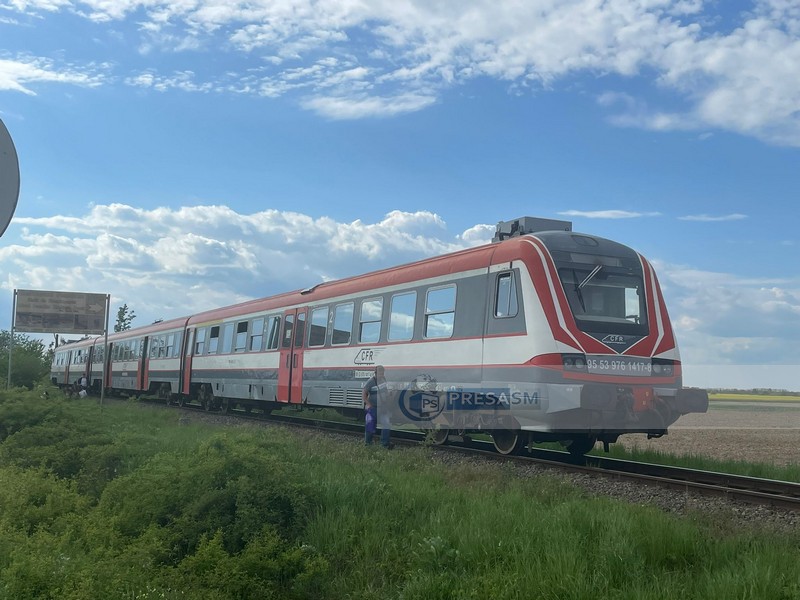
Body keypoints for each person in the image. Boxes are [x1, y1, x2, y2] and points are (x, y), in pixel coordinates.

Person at [362, 365, 391, 448]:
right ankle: (368, 444)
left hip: (383, 407)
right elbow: (364, 394)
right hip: (373, 407)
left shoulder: (383, 380)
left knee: (386, 425)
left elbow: (385, 391)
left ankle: (384, 444)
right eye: (380, 373)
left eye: (383, 373)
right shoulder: (370, 382)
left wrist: (388, 396)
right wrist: (368, 404)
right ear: (375, 373)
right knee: (370, 426)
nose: (381, 375)